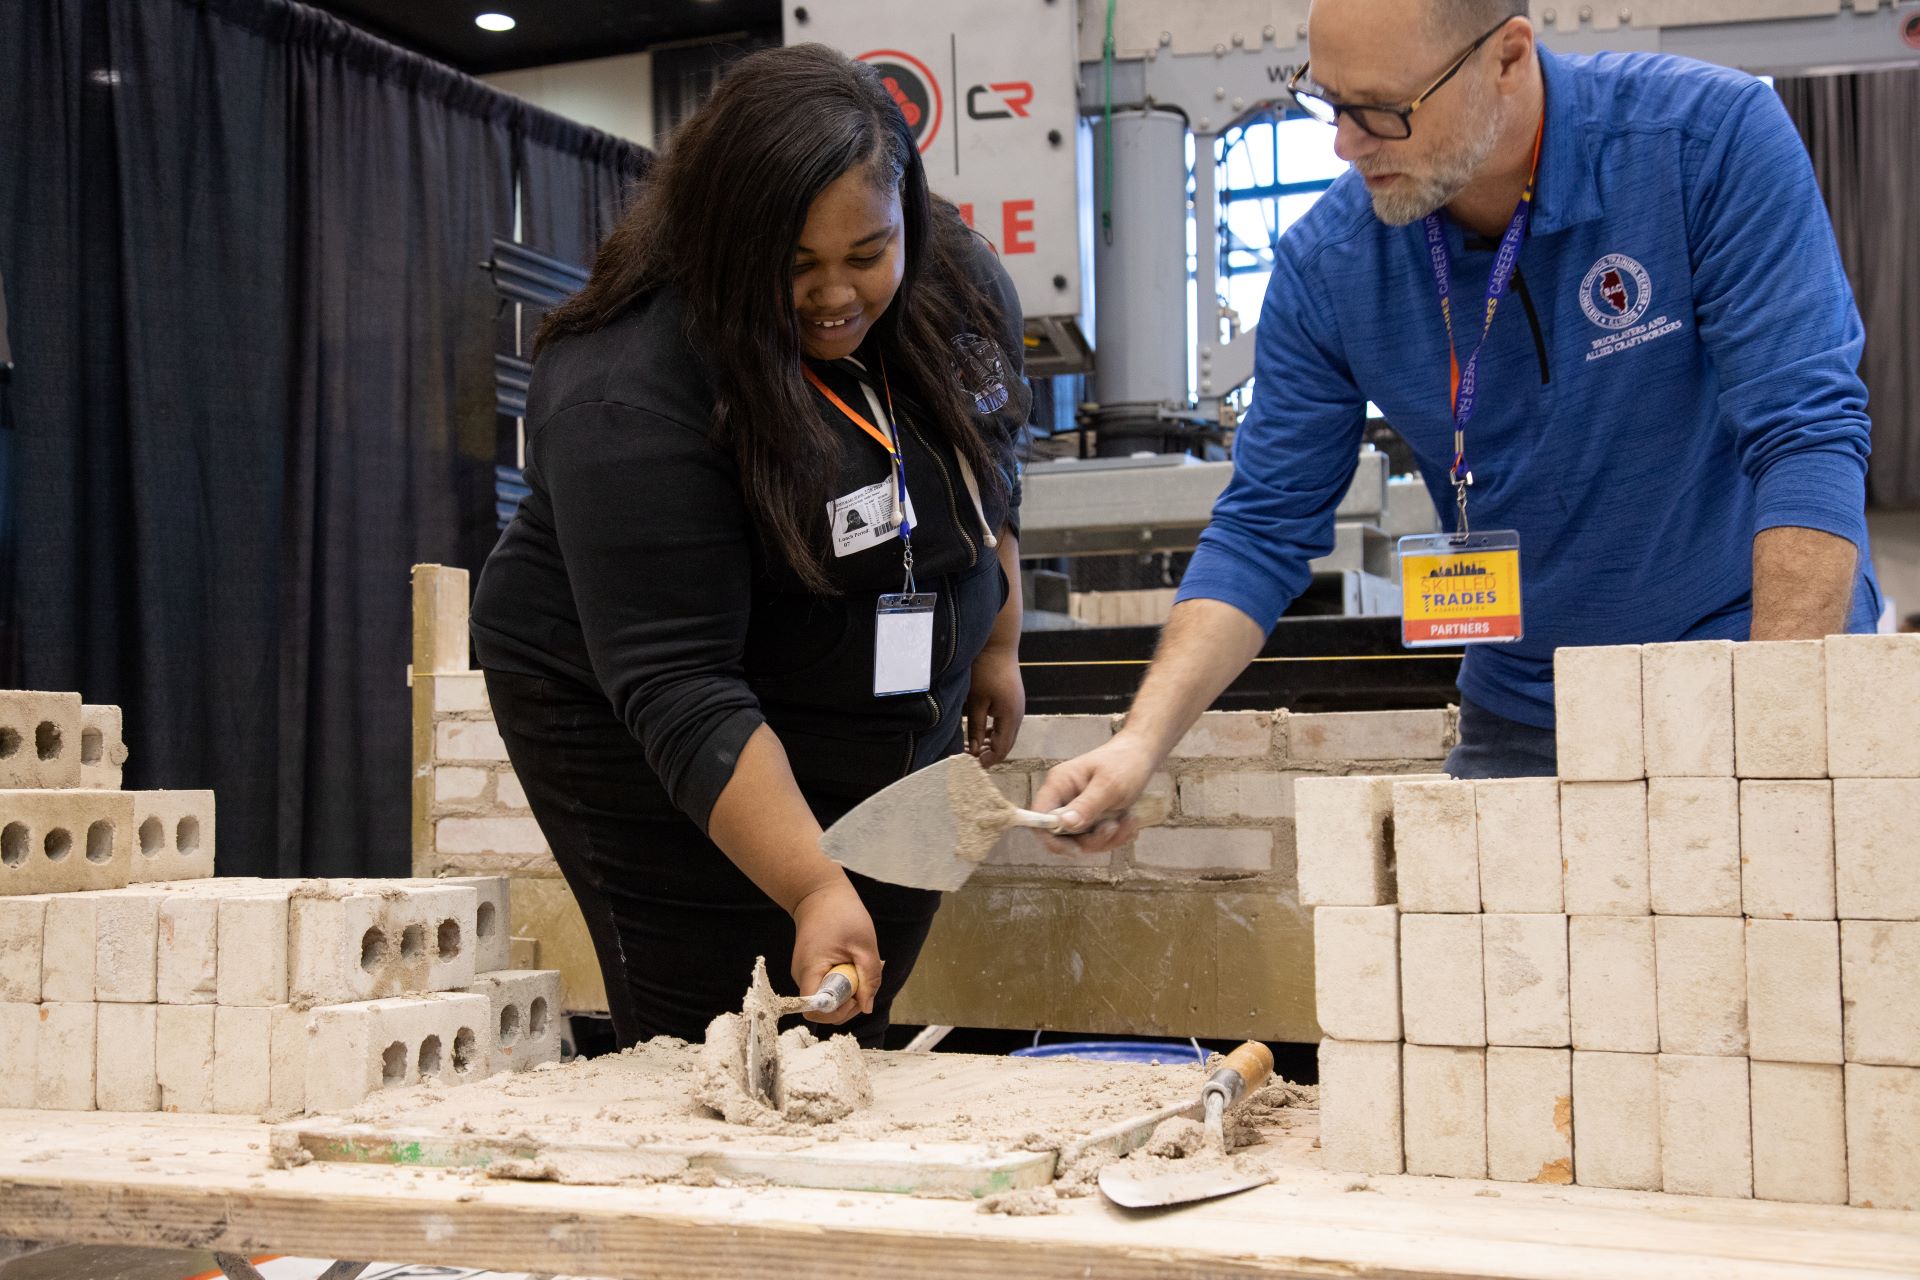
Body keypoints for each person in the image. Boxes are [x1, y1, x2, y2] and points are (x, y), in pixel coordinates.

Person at [1036, 0, 1880, 846]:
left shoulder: (1706, 140)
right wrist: (1139, 742)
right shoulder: (1330, 266)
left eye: (1382, 110)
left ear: (1507, 60)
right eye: (1327, 102)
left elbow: (1806, 433)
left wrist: (1778, 731)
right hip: (1526, 708)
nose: (1345, 144)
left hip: (1749, 661)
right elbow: (1261, 529)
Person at [469, 44, 1029, 1050]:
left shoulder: (959, 281)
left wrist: (996, 641)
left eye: (866, 255)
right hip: (654, 718)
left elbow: (992, 457)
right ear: (726, 240)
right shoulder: (627, 386)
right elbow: (683, 682)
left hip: (870, 694)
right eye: (796, 266)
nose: (834, 297)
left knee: (850, 1012)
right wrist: (812, 880)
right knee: (729, 1035)